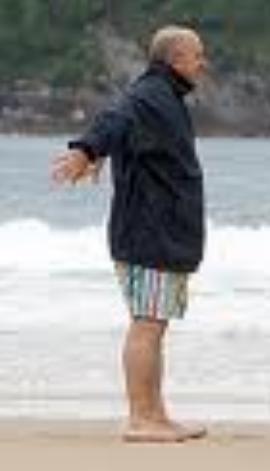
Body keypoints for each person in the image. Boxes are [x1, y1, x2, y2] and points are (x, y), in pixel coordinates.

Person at [50, 25, 210, 442]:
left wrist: (101, 153)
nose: (203, 63)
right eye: (197, 55)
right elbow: (115, 120)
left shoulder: (165, 97)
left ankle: (156, 415)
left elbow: (128, 133)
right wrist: (86, 149)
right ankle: (141, 419)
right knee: (146, 325)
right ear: (176, 59)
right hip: (148, 233)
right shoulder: (149, 96)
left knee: (153, 325)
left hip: (162, 233)